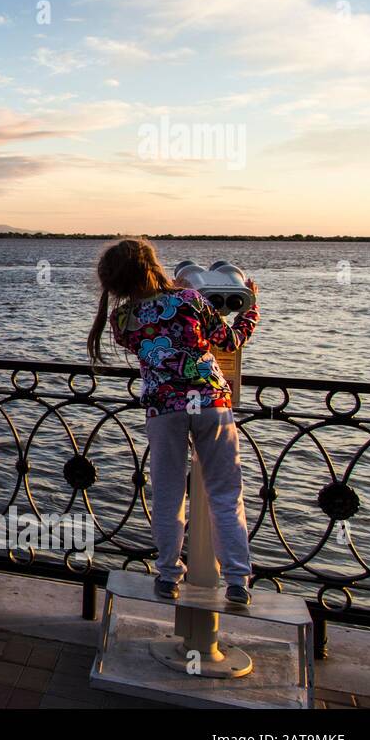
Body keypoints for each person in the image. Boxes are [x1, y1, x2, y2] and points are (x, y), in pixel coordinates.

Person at [88, 238, 259, 605]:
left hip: (163, 409)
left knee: (167, 494)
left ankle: (168, 576)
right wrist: (250, 308)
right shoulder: (191, 301)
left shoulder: (122, 320)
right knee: (225, 494)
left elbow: (154, 334)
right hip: (211, 402)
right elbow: (229, 341)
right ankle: (237, 581)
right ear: (153, 266)